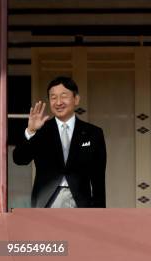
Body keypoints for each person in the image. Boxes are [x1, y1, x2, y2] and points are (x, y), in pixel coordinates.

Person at [13, 76, 107, 208]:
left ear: (76, 99)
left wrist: (100, 213)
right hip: (46, 200)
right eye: (53, 97)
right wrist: (31, 131)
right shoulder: (41, 130)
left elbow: (98, 178)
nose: (58, 102)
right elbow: (19, 159)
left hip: (80, 201)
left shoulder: (94, 133)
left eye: (64, 96)